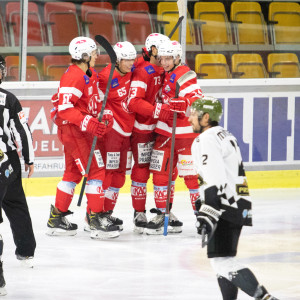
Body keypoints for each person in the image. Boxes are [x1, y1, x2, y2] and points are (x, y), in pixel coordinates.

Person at [188, 97, 279, 300]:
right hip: (238, 202)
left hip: (224, 204)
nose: (189, 119)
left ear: (206, 117)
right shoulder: (224, 134)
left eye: (194, 114)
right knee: (223, 261)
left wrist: (209, 208)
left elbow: (215, 177)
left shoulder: (207, 138)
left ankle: (265, 298)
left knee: (222, 262)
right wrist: (203, 201)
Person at [47, 36, 119, 239]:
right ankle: (95, 221)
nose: (97, 56)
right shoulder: (74, 76)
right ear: (85, 56)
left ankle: (56, 219)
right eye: (94, 53)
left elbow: (92, 102)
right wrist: (87, 122)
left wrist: (102, 115)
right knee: (96, 171)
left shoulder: (88, 73)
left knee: (72, 173)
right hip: (75, 131)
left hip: (77, 130)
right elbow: (64, 109)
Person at [146, 40, 203, 235]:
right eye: (163, 57)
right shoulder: (163, 72)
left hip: (185, 134)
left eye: (169, 58)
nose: (165, 61)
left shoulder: (185, 74)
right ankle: (163, 214)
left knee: (191, 177)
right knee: (161, 174)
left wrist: (185, 102)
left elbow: (197, 98)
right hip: (164, 131)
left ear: (178, 57)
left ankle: (201, 217)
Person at [84, 41, 137, 232]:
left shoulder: (133, 72)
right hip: (112, 132)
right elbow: (95, 100)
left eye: (133, 59)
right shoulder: (105, 77)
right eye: (127, 60)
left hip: (127, 131)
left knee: (120, 177)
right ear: (117, 60)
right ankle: (93, 215)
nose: (131, 63)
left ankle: (106, 213)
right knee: (107, 174)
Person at [127, 33, 173, 233]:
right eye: (161, 52)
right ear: (153, 50)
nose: (165, 56)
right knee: (142, 168)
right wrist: (157, 111)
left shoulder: (164, 68)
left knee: (164, 171)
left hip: (161, 128)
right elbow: (134, 101)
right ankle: (139, 212)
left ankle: (164, 211)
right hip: (143, 129)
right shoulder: (142, 71)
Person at [0, 55, 36, 294]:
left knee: (16, 203)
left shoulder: (9, 99)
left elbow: (21, 129)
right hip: (7, 162)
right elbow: (22, 131)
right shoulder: (8, 99)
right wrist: (28, 159)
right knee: (16, 203)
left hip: (4, 162)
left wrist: (28, 158)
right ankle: (26, 251)